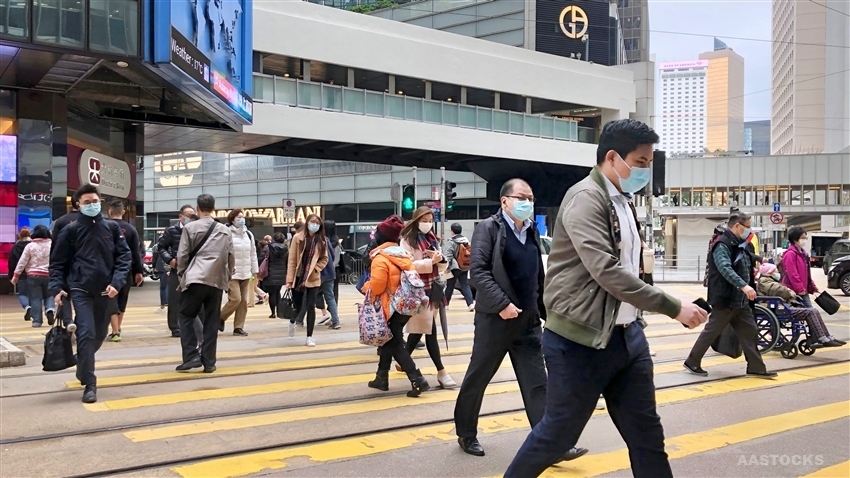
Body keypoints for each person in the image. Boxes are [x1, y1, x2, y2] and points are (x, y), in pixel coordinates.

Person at [505, 120, 709, 478]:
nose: (646, 170)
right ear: (613, 158)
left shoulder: (623, 202)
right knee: (557, 435)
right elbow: (608, 271)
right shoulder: (586, 198)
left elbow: (631, 266)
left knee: (647, 436)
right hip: (579, 341)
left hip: (627, 339)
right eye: (641, 162)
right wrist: (673, 306)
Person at [454, 178, 587, 461]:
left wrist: (545, 312)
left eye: (531, 197)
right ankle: (466, 432)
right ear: (505, 201)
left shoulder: (532, 231)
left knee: (538, 383)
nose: (528, 202)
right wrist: (502, 304)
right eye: (522, 197)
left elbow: (535, 276)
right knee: (479, 377)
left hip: (527, 322)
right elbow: (477, 272)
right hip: (495, 320)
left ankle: (553, 444)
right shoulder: (487, 229)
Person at [49, 184, 132, 403]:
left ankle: (82, 366)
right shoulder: (71, 230)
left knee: (98, 336)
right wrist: (57, 288)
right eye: (87, 202)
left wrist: (117, 282)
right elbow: (57, 263)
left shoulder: (113, 229)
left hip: (107, 290)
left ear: (100, 202)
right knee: (85, 333)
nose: (92, 205)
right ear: (78, 205)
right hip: (80, 288)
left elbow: (125, 258)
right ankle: (90, 384)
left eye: (95, 201)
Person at [685, 210, 778, 379]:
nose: (750, 231)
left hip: (740, 302)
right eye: (747, 227)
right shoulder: (722, 244)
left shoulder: (737, 243)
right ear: (737, 226)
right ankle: (692, 361)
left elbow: (745, 256)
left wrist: (758, 259)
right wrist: (744, 286)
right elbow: (725, 268)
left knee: (750, 332)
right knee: (711, 332)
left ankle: (756, 367)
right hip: (726, 299)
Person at [364, 215, 430, 397]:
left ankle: (417, 379)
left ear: (381, 237)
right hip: (406, 306)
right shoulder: (402, 254)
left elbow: (377, 286)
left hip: (390, 307)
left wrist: (366, 287)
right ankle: (381, 377)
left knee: (394, 344)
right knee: (389, 340)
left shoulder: (380, 258)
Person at [175, 194, 234, 373]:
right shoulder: (225, 230)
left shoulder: (190, 227)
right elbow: (231, 258)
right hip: (216, 281)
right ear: (213, 208)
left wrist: (182, 275)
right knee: (211, 320)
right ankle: (209, 362)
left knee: (186, 316)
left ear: (197, 208)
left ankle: (191, 355)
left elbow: (182, 256)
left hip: (195, 279)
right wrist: (227, 277)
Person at [399, 206, 456, 388]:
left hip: (433, 291)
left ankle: (401, 360)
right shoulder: (407, 240)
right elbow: (407, 265)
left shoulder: (432, 239)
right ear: (416, 221)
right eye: (424, 220)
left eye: (430, 220)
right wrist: (428, 262)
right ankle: (441, 372)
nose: (428, 224)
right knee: (430, 332)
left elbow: (441, 265)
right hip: (418, 291)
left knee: (420, 331)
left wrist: (440, 260)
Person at [757, 263, 844, 347]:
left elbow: (783, 291)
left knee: (814, 311)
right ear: (769, 273)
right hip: (778, 309)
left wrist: (789, 291)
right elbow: (783, 292)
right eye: (775, 271)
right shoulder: (765, 282)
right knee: (810, 312)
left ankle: (826, 337)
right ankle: (822, 338)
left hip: (782, 307)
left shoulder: (770, 281)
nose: (778, 273)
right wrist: (791, 292)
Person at [286, 214, 329, 347]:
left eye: (317, 222)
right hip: (299, 276)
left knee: (311, 306)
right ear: (307, 223)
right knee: (298, 306)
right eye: (312, 222)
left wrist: (316, 268)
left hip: (313, 277)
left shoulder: (322, 240)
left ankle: (309, 336)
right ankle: (293, 321)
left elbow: (325, 259)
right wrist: (289, 280)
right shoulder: (297, 238)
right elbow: (292, 260)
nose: (314, 224)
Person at [106, 201, 145, 342]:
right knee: (122, 299)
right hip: (126, 269)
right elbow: (136, 252)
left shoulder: (105, 227)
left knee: (111, 298)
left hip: (108, 270)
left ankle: (115, 330)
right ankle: (118, 329)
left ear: (110, 212)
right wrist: (138, 271)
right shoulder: (131, 229)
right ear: (123, 212)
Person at [157, 204, 196, 337]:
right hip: (177, 269)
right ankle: (175, 327)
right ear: (181, 216)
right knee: (175, 299)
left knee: (195, 298)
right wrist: (170, 260)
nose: (190, 218)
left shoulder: (197, 230)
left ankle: (194, 326)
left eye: (193, 215)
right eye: (188, 215)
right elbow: (161, 247)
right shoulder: (172, 230)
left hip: (195, 269)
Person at [220, 209, 259, 336]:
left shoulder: (249, 234)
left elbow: (253, 253)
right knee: (236, 299)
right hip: (232, 272)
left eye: (243, 217)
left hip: (246, 272)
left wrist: (255, 270)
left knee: (243, 302)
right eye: (239, 217)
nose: (242, 219)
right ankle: (219, 318)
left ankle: (238, 327)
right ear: (232, 220)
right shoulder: (227, 233)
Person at [11, 225, 54, 327]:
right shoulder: (52, 245)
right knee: (49, 295)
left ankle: (37, 321)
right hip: (49, 274)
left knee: (36, 298)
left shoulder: (30, 246)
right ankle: (50, 310)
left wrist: (16, 275)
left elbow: (22, 262)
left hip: (33, 275)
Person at [51, 201, 82, 330]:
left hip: (65, 264)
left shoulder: (61, 221)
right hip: (83, 265)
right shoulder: (90, 222)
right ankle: (79, 322)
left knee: (64, 294)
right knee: (82, 297)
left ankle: (68, 321)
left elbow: (55, 245)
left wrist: (53, 265)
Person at [781, 226, 818, 308]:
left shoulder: (803, 254)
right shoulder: (790, 254)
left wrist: (812, 286)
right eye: (802, 238)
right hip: (794, 291)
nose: (804, 240)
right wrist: (800, 289)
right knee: (810, 312)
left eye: (805, 238)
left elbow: (806, 274)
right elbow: (792, 274)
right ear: (795, 239)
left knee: (806, 313)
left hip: (803, 289)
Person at [316, 220, 342, 329]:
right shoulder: (335, 242)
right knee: (331, 295)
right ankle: (334, 319)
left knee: (313, 294)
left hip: (323, 271)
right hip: (332, 272)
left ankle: (327, 314)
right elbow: (336, 259)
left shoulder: (322, 240)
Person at [443, 223, 475, 311]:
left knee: (450, 285)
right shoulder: (466, 241)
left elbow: (448, 255)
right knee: (465, 285)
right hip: (464, 266)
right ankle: (470, 304)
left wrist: (446, 267)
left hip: (454, 267)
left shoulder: (451, 242)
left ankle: (446, 305)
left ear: (452, 231)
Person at [8, 228, 33, 322]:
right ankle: (32, 311)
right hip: (32, 273)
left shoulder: (15, 247)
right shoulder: (33, 245)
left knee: (22, 294)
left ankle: (27, 307)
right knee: (33, 294)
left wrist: (11, 275)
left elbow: (11, 262)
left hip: (20, 274)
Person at [263, 233, 289, 318]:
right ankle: (279, 311)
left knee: (272, 293)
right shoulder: (286, 249)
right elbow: (287, 261)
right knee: (277, 292)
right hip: (281, 273)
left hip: (270, 272)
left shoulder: (268, 247)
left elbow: (262, 258)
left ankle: (273, 312)